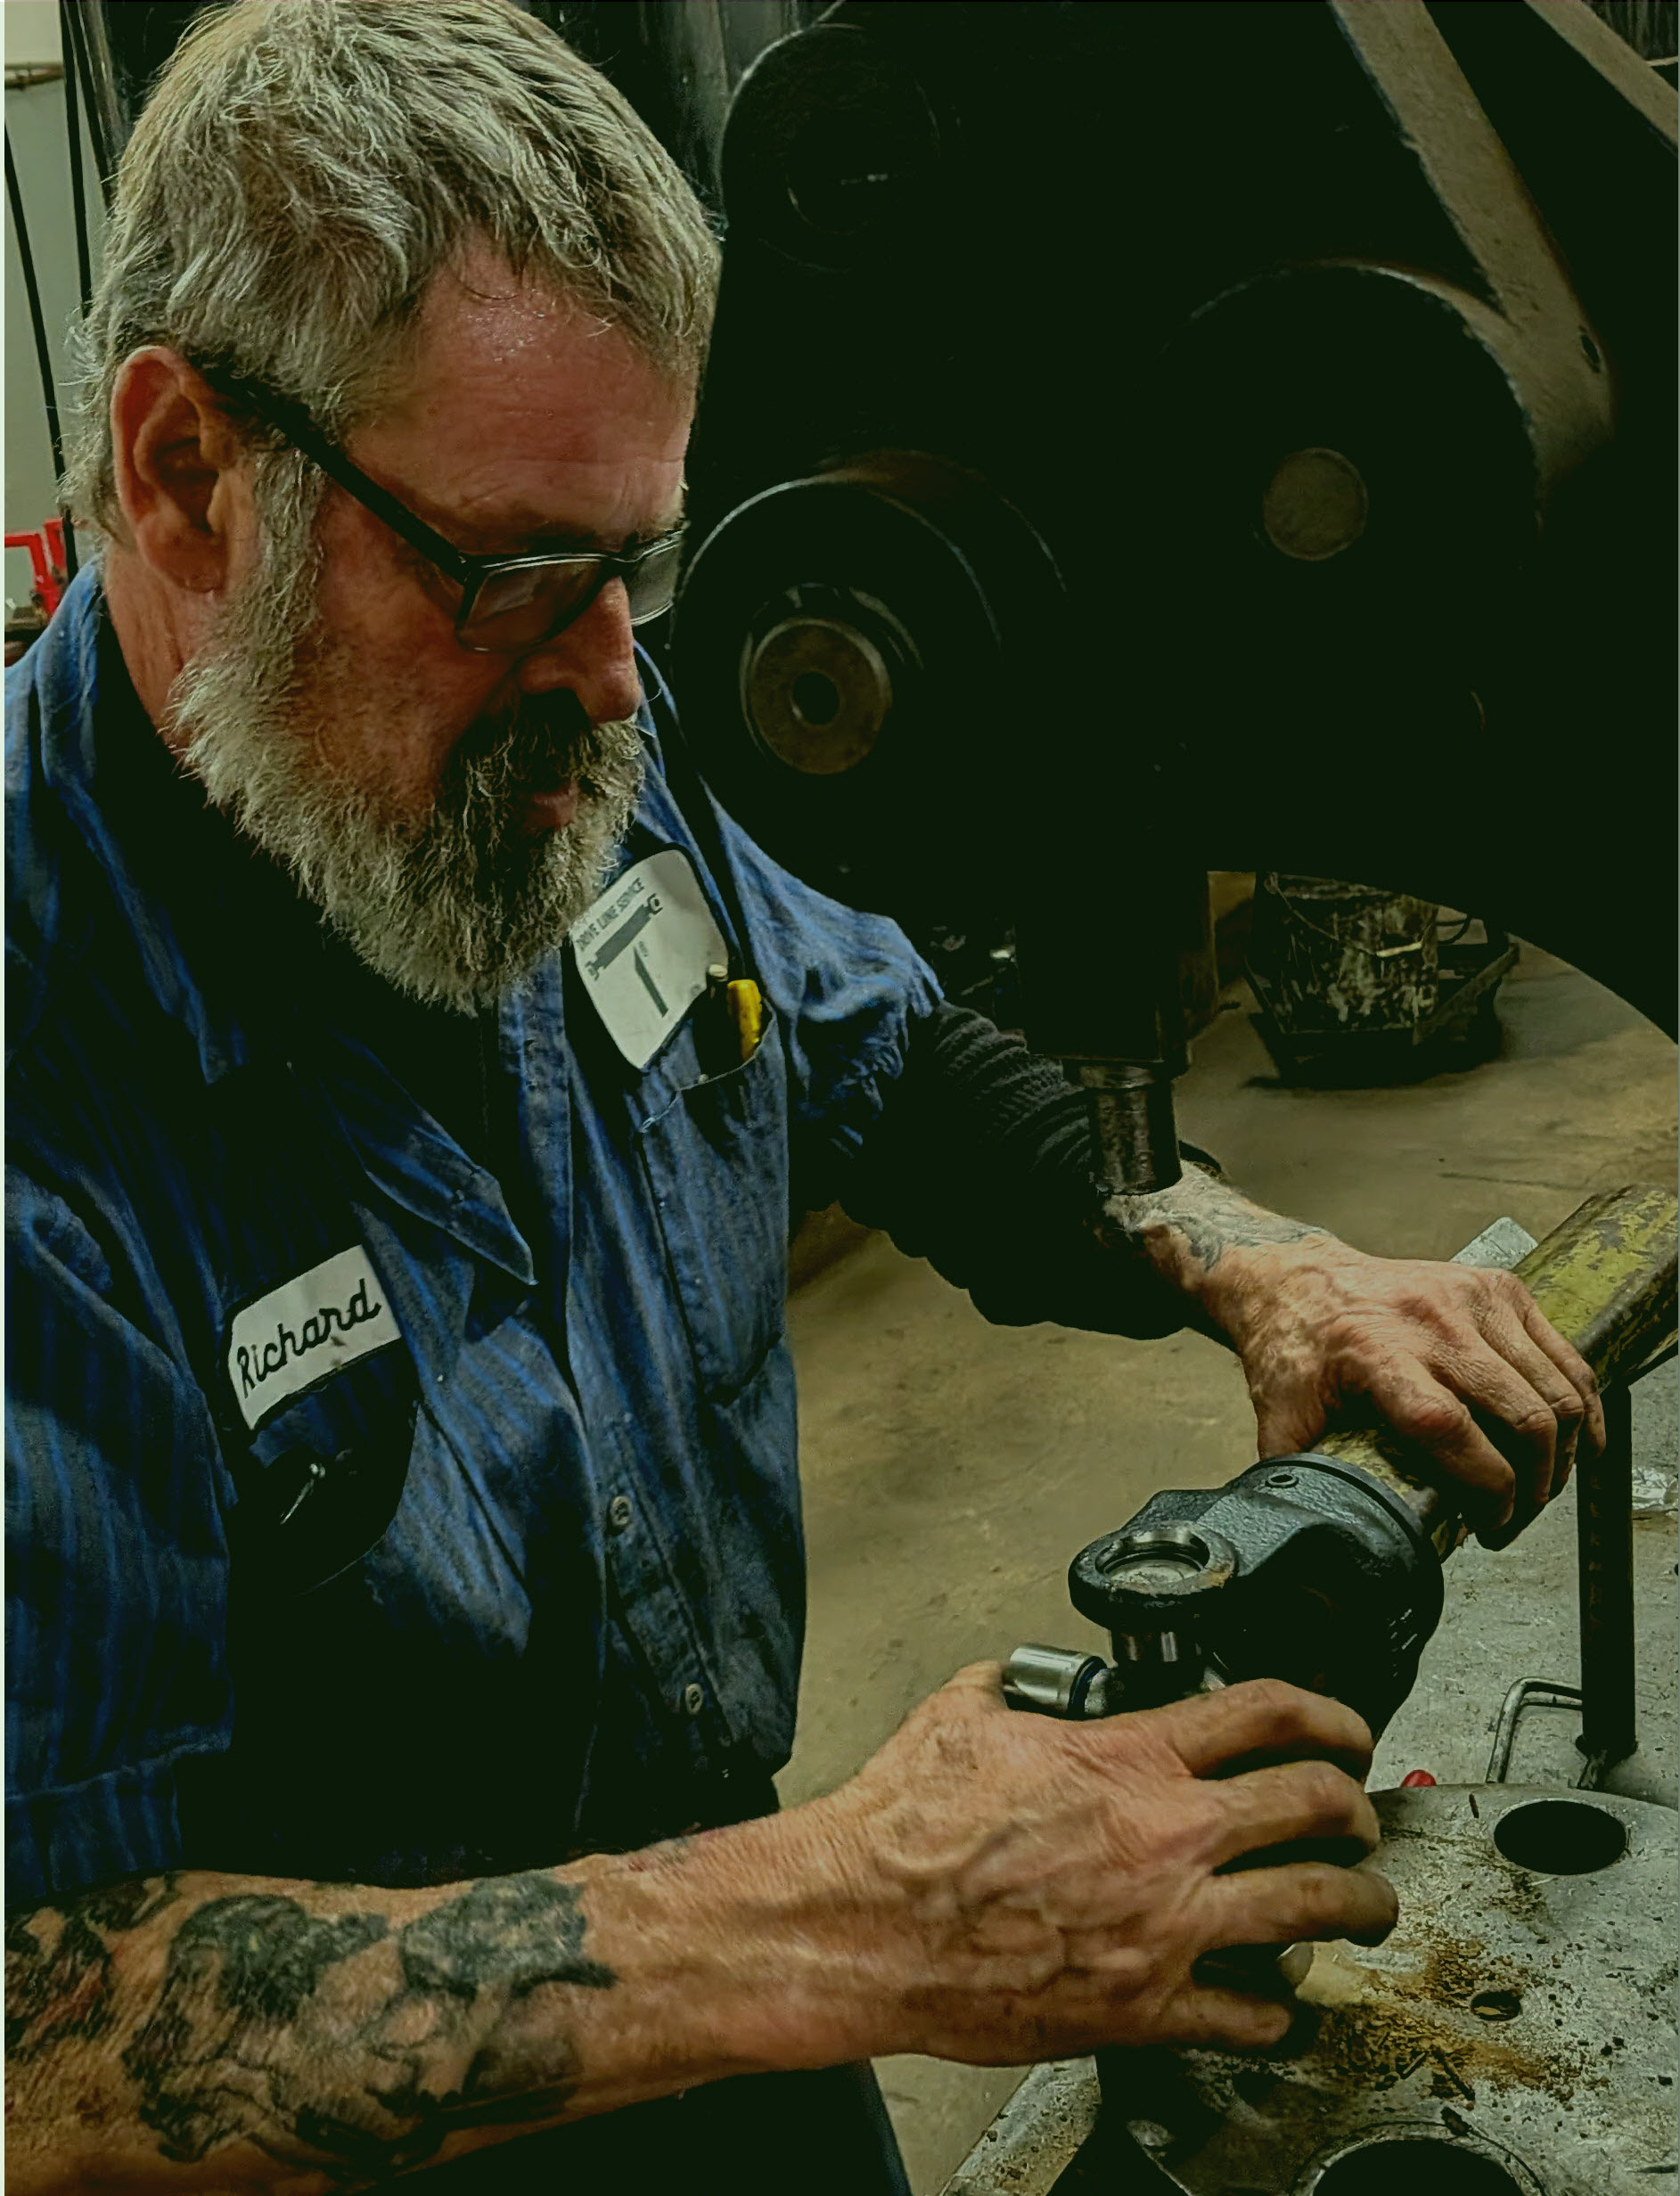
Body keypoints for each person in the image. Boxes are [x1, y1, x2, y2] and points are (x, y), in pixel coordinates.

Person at [4, 5, 1603, 2190]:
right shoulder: (38, 1078)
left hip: (735, 2018)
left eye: (636, 568)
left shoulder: (550, 721)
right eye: (510, 573)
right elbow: (44, 2034)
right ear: (191, 473)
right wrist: (852, 1912)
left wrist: (1257, 1254)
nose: (603, 676)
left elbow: (865, 1044)